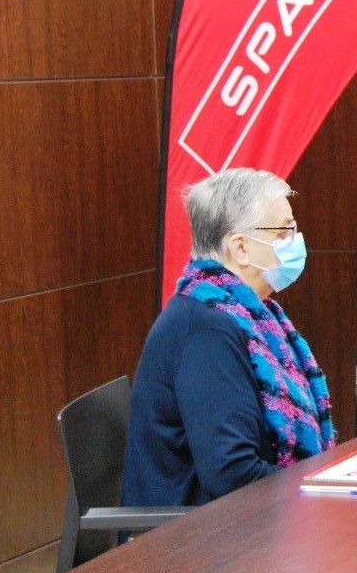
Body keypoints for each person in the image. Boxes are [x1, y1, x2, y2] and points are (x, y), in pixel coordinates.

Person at [122, 168, 336, 507]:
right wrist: (316, 494)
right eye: (284, 232)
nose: (296, 241)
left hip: (241, 522)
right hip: (191, 541)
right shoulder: (206, 331)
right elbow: (231, 474)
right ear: (240, 249)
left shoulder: (251, 315)